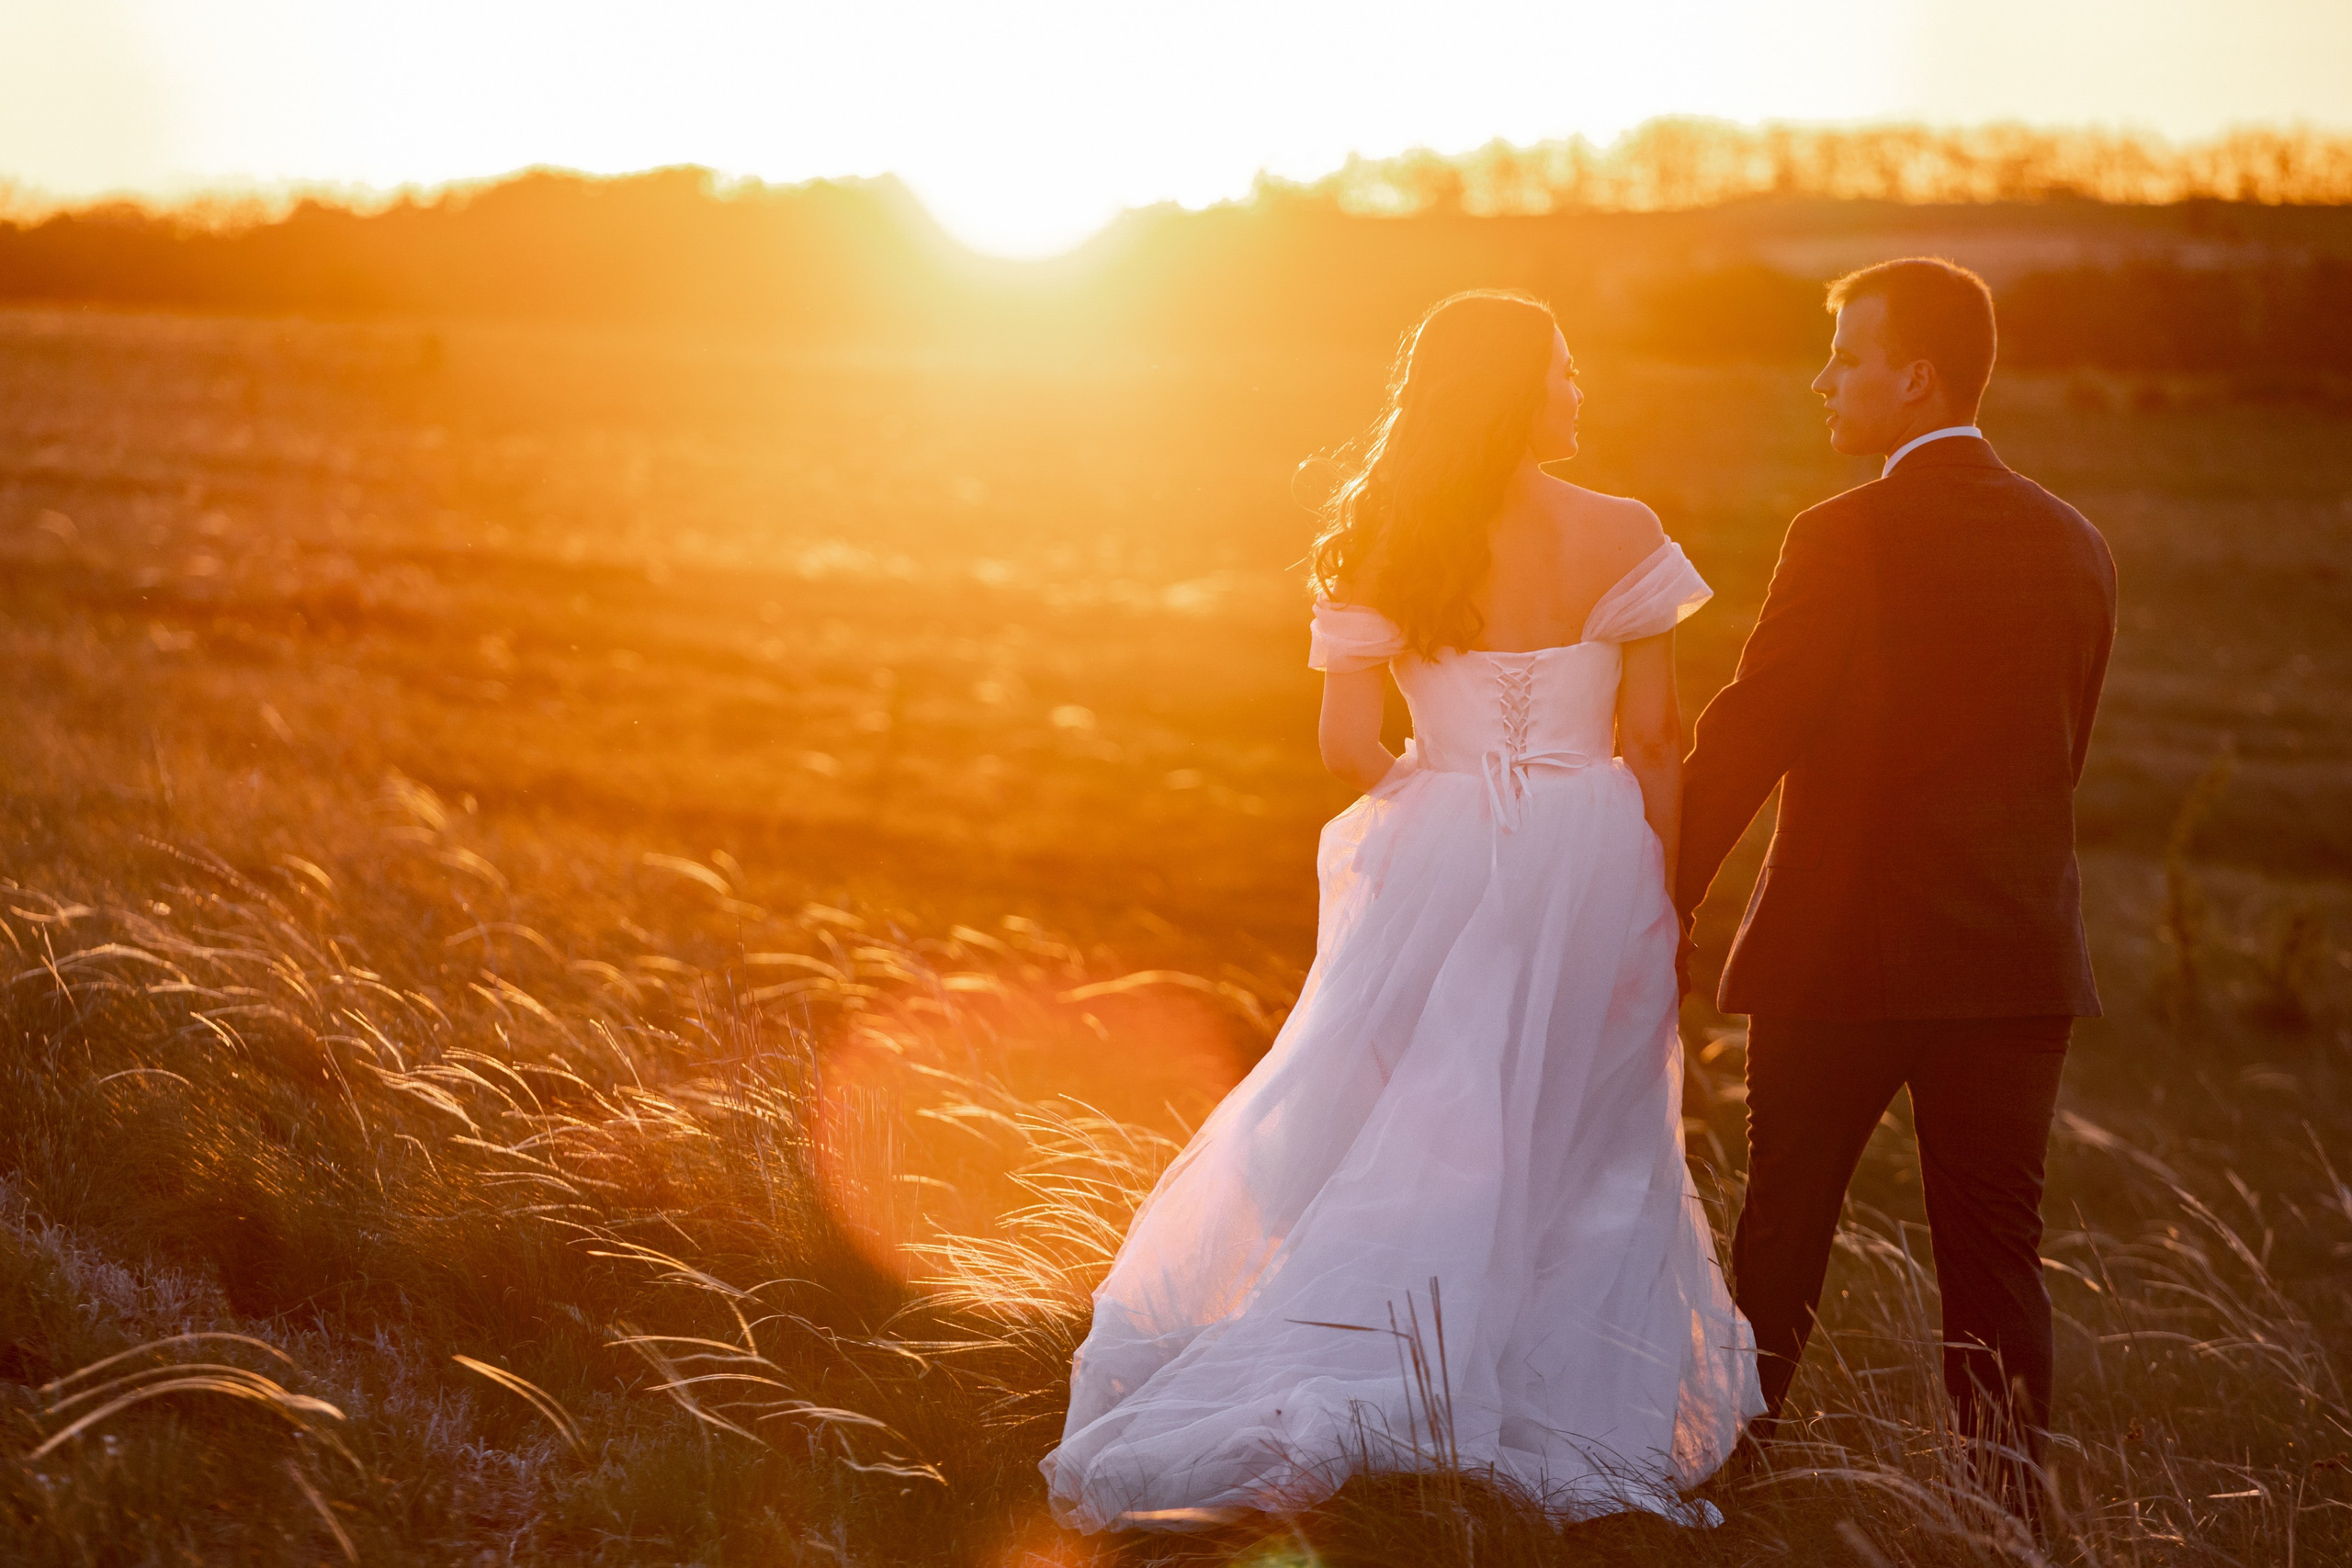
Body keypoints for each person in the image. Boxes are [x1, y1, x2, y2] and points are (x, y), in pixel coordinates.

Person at [1043, 290, 1762, 1531]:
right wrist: (1658, 886)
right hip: (1593, 852)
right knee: (1586, 1130)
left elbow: (1345, 742)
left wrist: (1436, 804)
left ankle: (1368, 1366)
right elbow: (1653, 736)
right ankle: (1519, 1386)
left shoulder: (1389, 536)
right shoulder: (1624, 529)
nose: (1580, 392)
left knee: (1416, 1112)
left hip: (1439, 844)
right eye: (1564, 370)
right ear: (1517, 390)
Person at [1675, 258, 2118, 1508]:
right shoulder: (2079, 545)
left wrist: (1665, 896)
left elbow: (1749, 735)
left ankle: (1727, 1487)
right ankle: (2003, 1517)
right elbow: (2062, 756)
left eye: (1847, 356)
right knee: (1996, 1255)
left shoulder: (1839, 534)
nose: (1825, 380)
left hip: (1838, 957)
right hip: (2016, 963)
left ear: (1915, 377)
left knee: (1782, 1236)